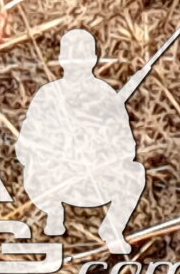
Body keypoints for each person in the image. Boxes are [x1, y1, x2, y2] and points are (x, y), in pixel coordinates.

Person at [16, 26, 147, 253]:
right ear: (62, 59)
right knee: (34, 167)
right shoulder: (48, 94)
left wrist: (100, 149)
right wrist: (58, 150)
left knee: (135, 173)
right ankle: (54, 214)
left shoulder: (106, 95)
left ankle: (112, 229)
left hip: (93, 179)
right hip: (53, 179)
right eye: (72, 55)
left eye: (82, 56)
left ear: (93, 59)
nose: (77, 62)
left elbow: (127, 147)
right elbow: (26, 143)